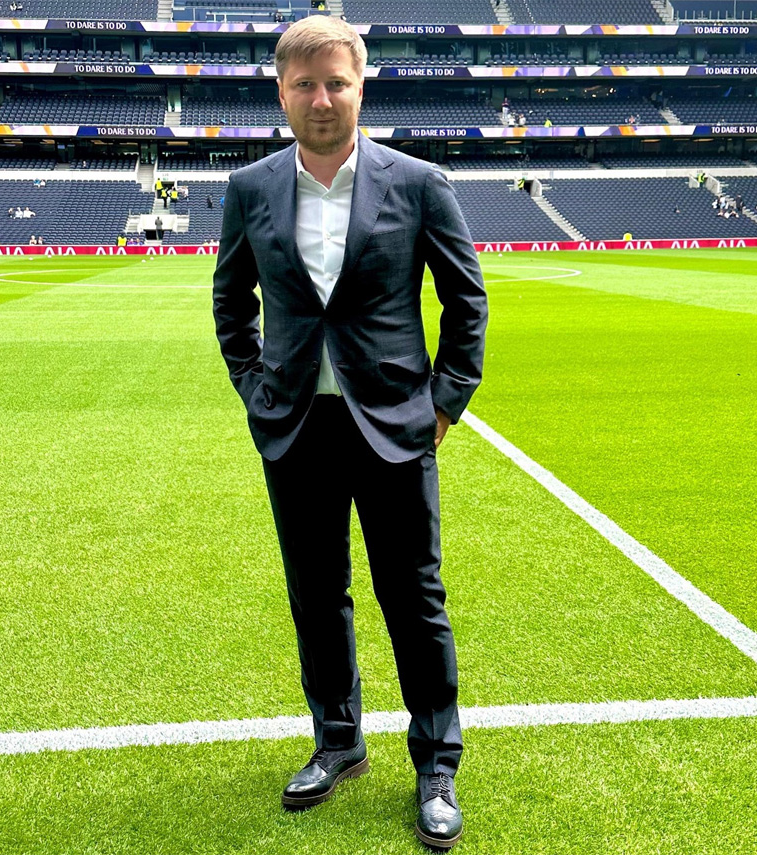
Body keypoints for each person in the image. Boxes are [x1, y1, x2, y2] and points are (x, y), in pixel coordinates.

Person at [212, 15, 486, 851]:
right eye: (305, 84)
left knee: (414, 596)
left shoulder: (419, 182)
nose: (322, 99)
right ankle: (338, 742)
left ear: (361, 86)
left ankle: (436, 763)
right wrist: (256, 389)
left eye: (336, 82)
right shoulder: (251, 187)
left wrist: (446, 401)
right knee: (316, 594)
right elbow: (231, 302)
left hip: (396, 424)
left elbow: (465, 298)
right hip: (296, 425)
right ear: (282, 93)